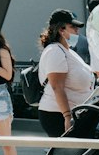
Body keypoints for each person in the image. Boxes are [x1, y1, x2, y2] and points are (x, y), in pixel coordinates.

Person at [38, 8, 94, 141]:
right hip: (58, 115)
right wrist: (67, 116)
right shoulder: (55, 51)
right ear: (61, 30)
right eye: (72, 27)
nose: (77, 30)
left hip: (77, 113)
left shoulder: (68, 51)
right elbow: (57, 87)